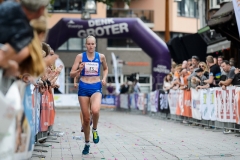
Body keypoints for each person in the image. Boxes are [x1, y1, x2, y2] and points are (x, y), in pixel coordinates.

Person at [70, 35, 108, 155]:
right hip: (83, 87)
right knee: (86, 120)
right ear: (85, 45)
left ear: (95, 45)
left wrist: (104, 78)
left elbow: (106, 69)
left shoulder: (101, 56)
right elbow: (71, 74)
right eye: (88, 44)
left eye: (92, 44)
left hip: (96, 86)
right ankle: (87, 144)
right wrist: (78, 70)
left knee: (95, 111)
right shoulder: (80, 57)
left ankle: (95, 129)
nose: (90, 46)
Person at [0, 0, 49, 70]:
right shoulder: (26, 32)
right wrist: (13, 66)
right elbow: (2, 58)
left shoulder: (8, 5)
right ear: (41, 10)